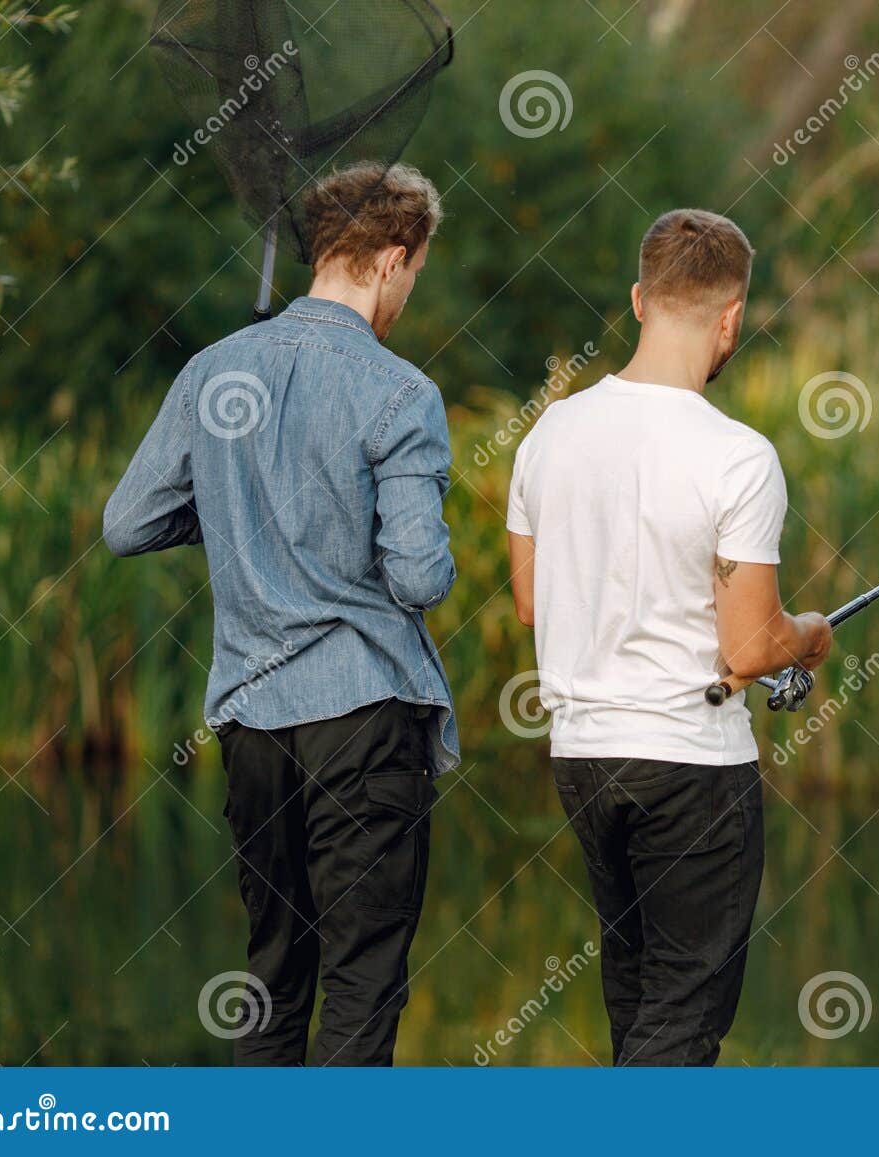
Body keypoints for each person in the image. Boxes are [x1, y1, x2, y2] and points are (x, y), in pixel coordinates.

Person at [103, 162, 456, 1066]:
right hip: (366, 719)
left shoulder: (215, 368)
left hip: (254, 724)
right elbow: (418, 577)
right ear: (390, 258)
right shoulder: (401, 392)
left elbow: (127, 522)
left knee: (272, 975)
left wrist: (234, 514)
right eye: (414, 272)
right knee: (364, 979)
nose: (409, 291)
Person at [505, 208, 835, 1065]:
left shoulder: (549, 433)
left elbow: (532, 603)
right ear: (731, 318)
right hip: (691, 763)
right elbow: (749, 649)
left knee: (638, 999)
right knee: (683, 1021)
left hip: (583, 757)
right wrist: (810, 634)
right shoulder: (737, 455)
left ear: (640, 300)